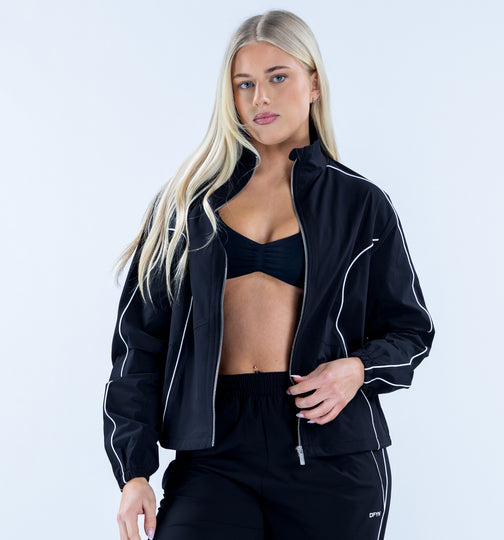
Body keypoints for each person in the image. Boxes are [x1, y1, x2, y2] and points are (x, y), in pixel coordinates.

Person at [102, 9, 435, 540]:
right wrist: (134, 471)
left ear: (313, 84)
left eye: (278, 77)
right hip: (213, 452)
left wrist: (357, 369)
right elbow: (138, 346)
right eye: (245, 84)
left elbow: (411, 330)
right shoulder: (187, 205)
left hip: (330, 450)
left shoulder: (361, 204)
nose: (260, 98)